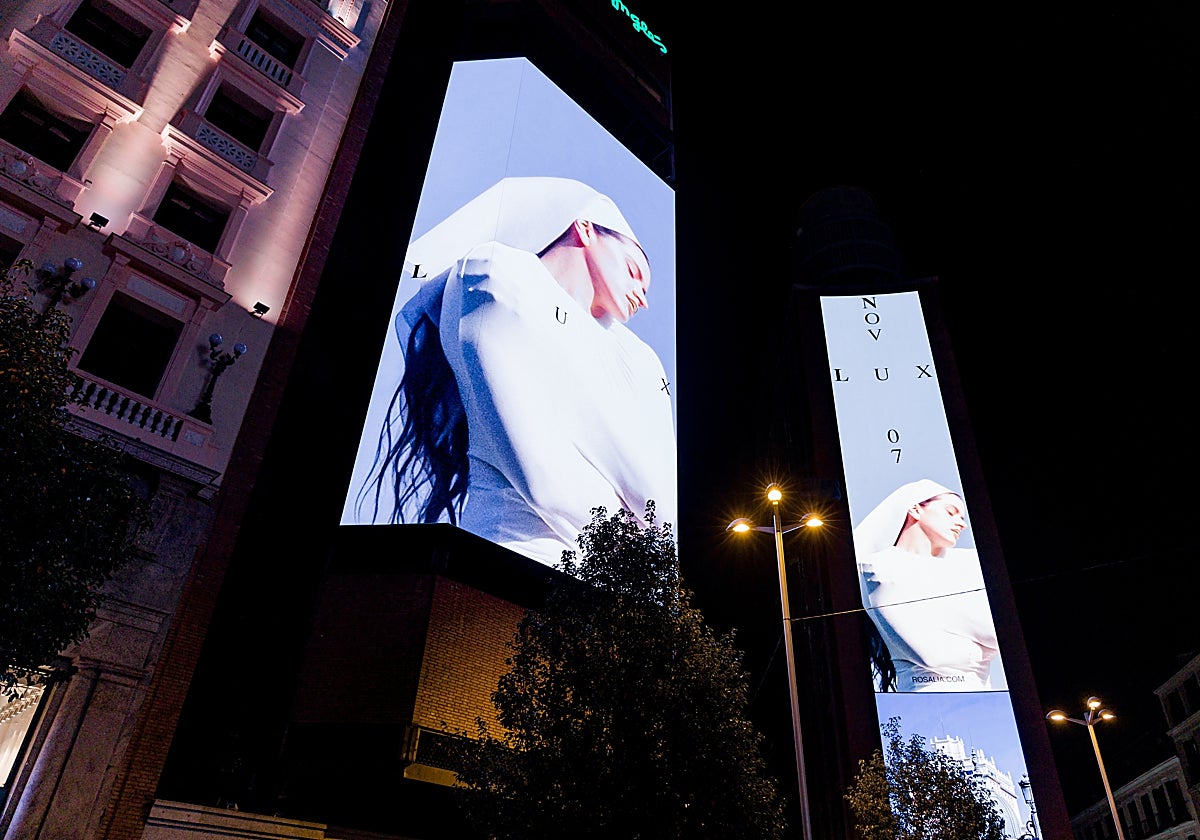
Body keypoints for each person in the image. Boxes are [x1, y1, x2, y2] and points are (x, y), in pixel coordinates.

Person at [356, 177, 677, 566]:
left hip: (615, 590)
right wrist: (642, 531)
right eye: (633, 270)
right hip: (513, 563)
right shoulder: (495, 276)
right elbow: (548, 482)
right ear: (585, 228)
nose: (641, 297)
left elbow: (666, 503)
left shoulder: (637, 356)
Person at [853, 479, 1001, 692]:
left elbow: (997, 633)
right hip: (928, 698)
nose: (962, 523)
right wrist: (979, 649)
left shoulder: (969, 563)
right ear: (915, 509)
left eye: (962, 517)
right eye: (951, 512)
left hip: (987, 698)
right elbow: (933, 656)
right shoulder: (878, 568)